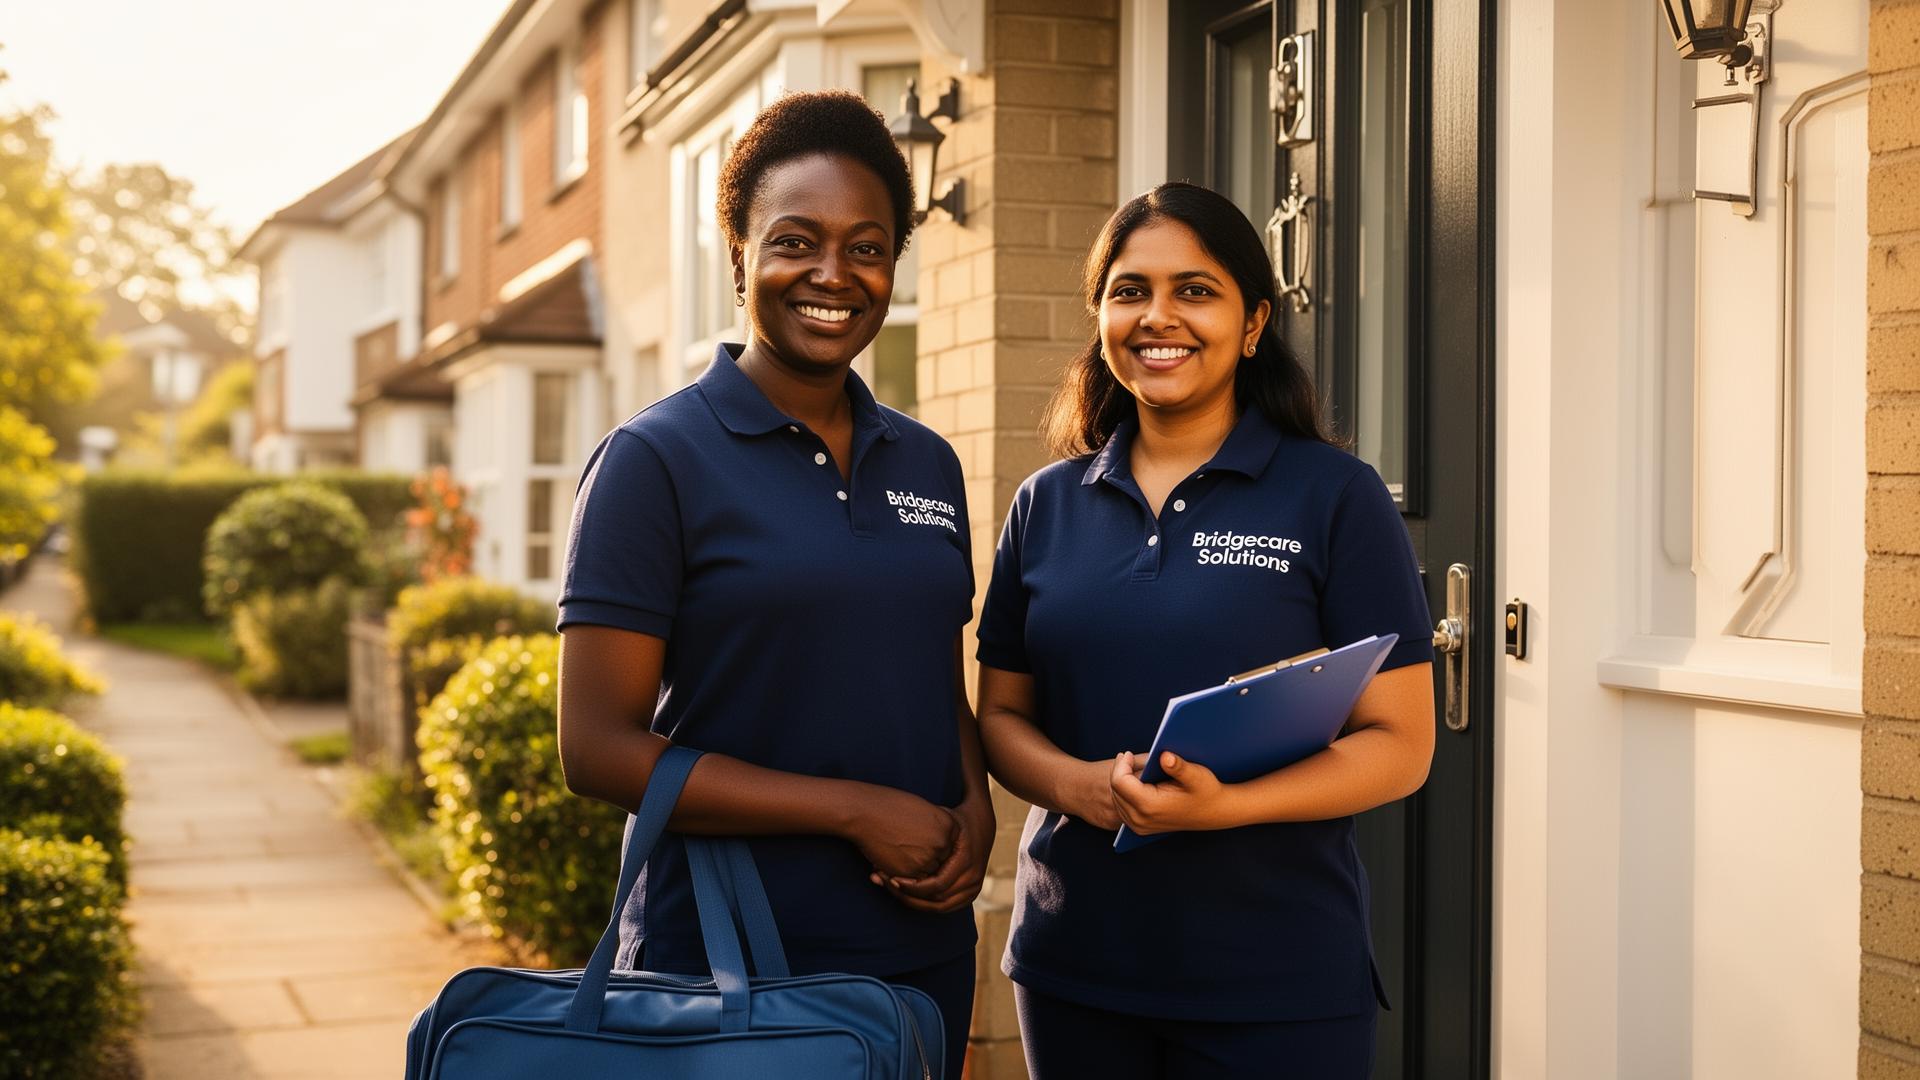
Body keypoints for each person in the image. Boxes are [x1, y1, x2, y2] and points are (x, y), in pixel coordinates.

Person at [555, 90, 990, 1079]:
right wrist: (850, 809)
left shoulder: (925, 463)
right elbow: (597, 748)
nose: (834, 274)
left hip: (921, 956)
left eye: (868, 246)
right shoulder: (653, 461)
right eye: (797, 240)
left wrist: (975, 808)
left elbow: (928, 673)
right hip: (726, 963)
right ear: (741, 253)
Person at [973, 182, 1436, 1079]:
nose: (1159, 317)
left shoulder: (1336, 497)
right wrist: (1084, 787)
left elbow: (1401, 744)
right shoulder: (1046, 505)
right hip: (1077, 967)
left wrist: (1226, 807)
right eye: (1130, 290)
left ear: (1253, 323)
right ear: (1102, 317)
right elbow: (999, 719)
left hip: (1278, 977)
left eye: (1196, 289)